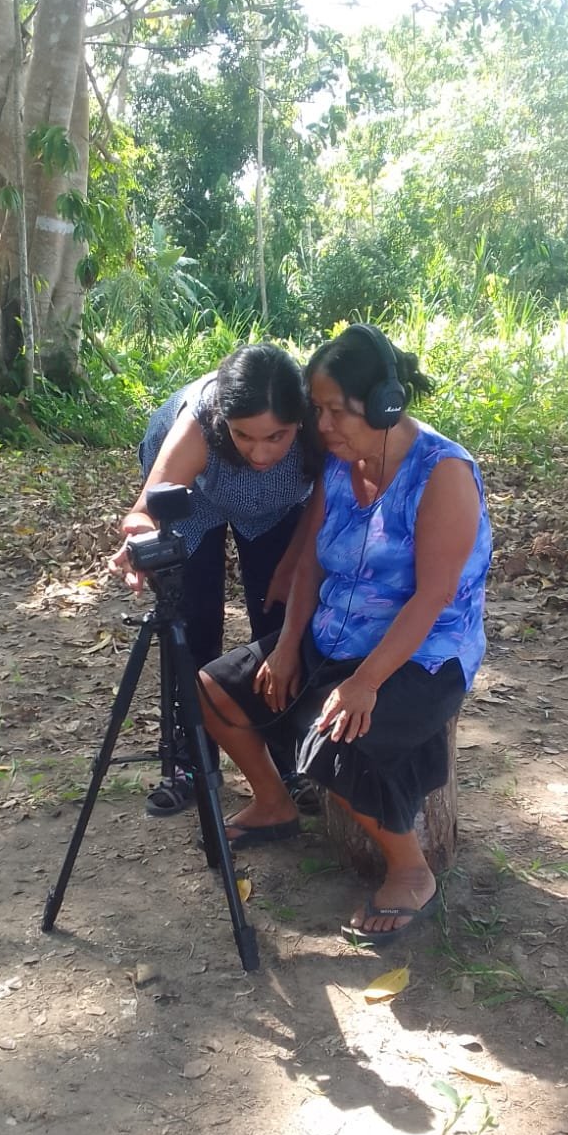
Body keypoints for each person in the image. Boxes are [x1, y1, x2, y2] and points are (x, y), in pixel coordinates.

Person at [198, 323, 492, 945]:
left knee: (333, 743)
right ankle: (274, 802)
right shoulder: (339, 464)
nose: (322, 425)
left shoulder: (443, 473)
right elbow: (310, 561)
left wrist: (362, 684)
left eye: (336, 411)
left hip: (424, 652)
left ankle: (411, 869)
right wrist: (284, 645)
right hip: (336, 635)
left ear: (385, 405)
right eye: (318, 409)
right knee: (213, 690)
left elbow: (434, 596)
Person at [108, 343, 318, 816]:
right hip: (195, 502)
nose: (260, 452)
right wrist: (138, 544)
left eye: (277, 437)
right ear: (223, 420)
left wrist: (294, 561)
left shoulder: (320, 432)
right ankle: (190, 760)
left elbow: (325, 504)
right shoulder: (196, 429)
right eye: (244, 436)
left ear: (301, 421)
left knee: (278, 620)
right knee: (193, 621)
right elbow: (145, 511)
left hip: (276, 510)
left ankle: (289, 756)